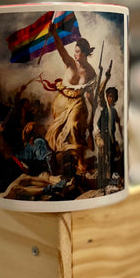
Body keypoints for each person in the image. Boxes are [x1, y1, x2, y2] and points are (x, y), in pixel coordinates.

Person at [44, 23, 97, 174]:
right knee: (55, 130)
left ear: (85, 53)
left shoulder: (90, 72)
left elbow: (89, 95)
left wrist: (92, 113)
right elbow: (61, 49)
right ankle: (58, 159)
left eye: (78, 52)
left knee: (73, 125)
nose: (75, 54)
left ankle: (78, 159)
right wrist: (54, 33)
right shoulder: (70, 63)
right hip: (62, 100)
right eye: (75, 51)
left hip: (78, 102)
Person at [96, 68, 123, 185]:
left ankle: (111, 180)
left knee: (112, 158)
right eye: (108, 96)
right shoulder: (104, 106)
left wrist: (121, 138)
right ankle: (101, 179)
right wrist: (106, 78)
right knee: (102, 155)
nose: (109, 98)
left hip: (111, 138)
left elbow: (119, 124)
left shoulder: (114, 111)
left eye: (112, 96)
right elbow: (100, 91)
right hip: (102, 136)